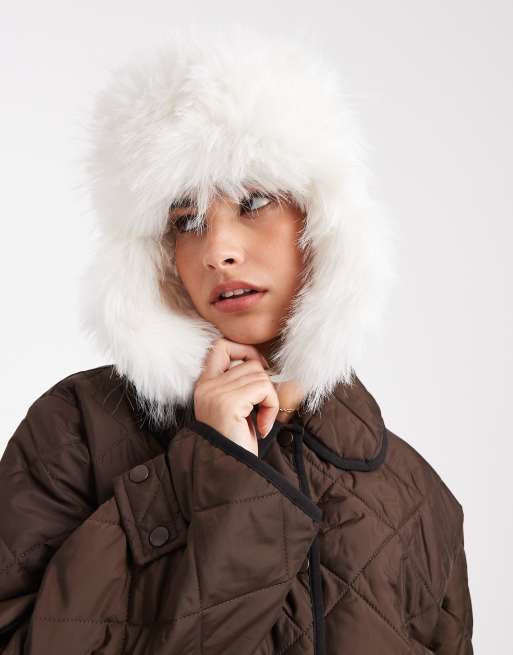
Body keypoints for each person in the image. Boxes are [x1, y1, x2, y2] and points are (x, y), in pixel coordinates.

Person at [0, 24, 473, 654]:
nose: (217, 249)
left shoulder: (419, 499)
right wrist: (209, 468)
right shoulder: (76, 432)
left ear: (324, 220)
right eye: (187, 220)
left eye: (254, 202)